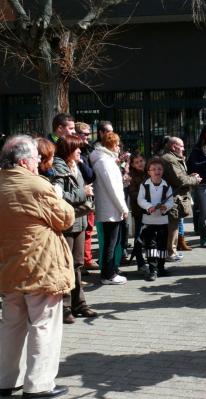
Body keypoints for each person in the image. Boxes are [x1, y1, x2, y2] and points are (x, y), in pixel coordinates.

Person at [0, 135, 73, 398]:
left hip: (8, 266)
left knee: (11, 323)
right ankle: (39, 384)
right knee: (44, 323)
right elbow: (65, 218)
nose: (38, 162)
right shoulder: (36, 185)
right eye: (35, 158)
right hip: (41, 266)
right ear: (23, 161)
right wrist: (59, 195)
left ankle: (6, 380)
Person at [53, 136, 98, 323]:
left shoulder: (75, 166)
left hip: (79, 221)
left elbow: (90, 178)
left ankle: (79, 303)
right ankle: (64, 307)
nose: (81, 152)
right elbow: (58, 195)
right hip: (67, 223)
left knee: (77, 264)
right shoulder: (58, 168)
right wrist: (84, 193)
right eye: (77, 149)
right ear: (69, 150)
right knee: (66, 266)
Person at [90, 132, 129, 285]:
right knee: (110, 243)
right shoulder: (103, 161)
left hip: (111, 206)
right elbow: (112, 188)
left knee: (111, 242)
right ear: (112, 145)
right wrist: (123, 207)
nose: (119, 147)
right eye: (117, 144)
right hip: (110, 208)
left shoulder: (105, 159)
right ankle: (108, 274)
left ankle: (110, 270)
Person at [162, 136, 202, 260]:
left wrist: (190, 176)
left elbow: (181, 176)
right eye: (182, 146)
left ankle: (171, 251)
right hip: (172, 199)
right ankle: (170, 253)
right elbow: (180, 180)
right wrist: (194, 179)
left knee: (174, 225)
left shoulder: (173, 158)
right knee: (172, 226)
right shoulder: (169, 159)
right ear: (174, 147)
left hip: (174, 198)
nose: (184, 149)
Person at [137, 158, 174, 281]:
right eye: (154, 169)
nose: (157, 171)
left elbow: (170, 201)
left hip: (162, 221)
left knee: (162, 245)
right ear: (149, 172)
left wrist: (165, 207)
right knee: (151, 246)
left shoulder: (167, 185)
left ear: (162, 171)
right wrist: (149, 207)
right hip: (148, 220)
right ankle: (152, 269)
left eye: (159, 169)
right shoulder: (144, 185)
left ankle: (161, 267)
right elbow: (140, 200)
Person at [74, 122, 99, 271]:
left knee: (88, 229)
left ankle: (86, 259)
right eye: (85, 134)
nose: (88, 137)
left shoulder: (88, 150)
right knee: (83, 230)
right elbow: (89, 175)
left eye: (89, 134)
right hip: (79, 197)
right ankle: (84, 261)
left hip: (88, 195)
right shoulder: (77, 152)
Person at [127, 152, 148, 273]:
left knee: (150, 236)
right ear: (133, 165)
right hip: (139, 210)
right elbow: (133, 193)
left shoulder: (149, 172)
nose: (140, 164)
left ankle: (151, 260)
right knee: (139, 236)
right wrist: (145, 197)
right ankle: (140, 263)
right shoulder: (132, 176)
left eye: (141, 161)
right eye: (137, 162)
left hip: (151, 210)